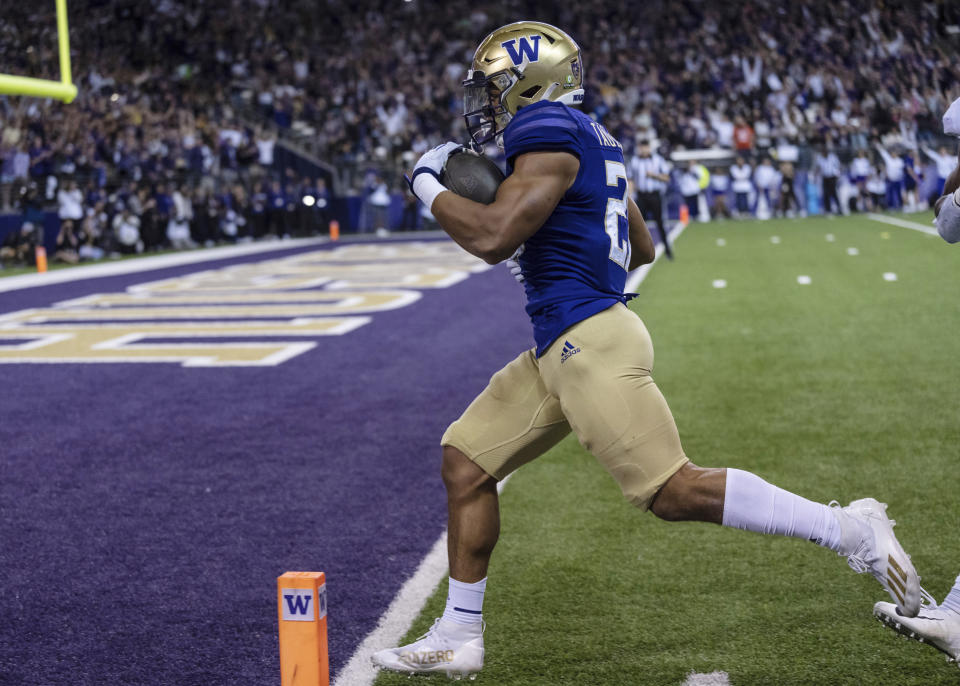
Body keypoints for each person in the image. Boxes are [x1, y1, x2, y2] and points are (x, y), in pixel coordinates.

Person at [372, 21, 925, 679]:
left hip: (588, 341)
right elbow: (641, 247)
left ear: (528, 82)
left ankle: (851, 531)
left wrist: (427, 185)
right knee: (466, 461)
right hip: (564, 342)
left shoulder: (542, 129)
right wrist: (552, 244)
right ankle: (459, 634)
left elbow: (491, 237)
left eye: (495, 87)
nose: (488, 102)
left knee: (670, 489)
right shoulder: (595, 138)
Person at [628, 139, 673, 258]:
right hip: (641, 196)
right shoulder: (634, 161)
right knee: (638, 225)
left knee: (660, 222)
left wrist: (654, 175)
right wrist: (630, 196)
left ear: (649, 148)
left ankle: (668, 250)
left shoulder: (658, 159)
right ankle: (637, 252)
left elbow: (667, 178)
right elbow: (630, 179)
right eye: (641, 147)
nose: (643, 150)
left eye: (645, 147)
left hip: (654, 195)